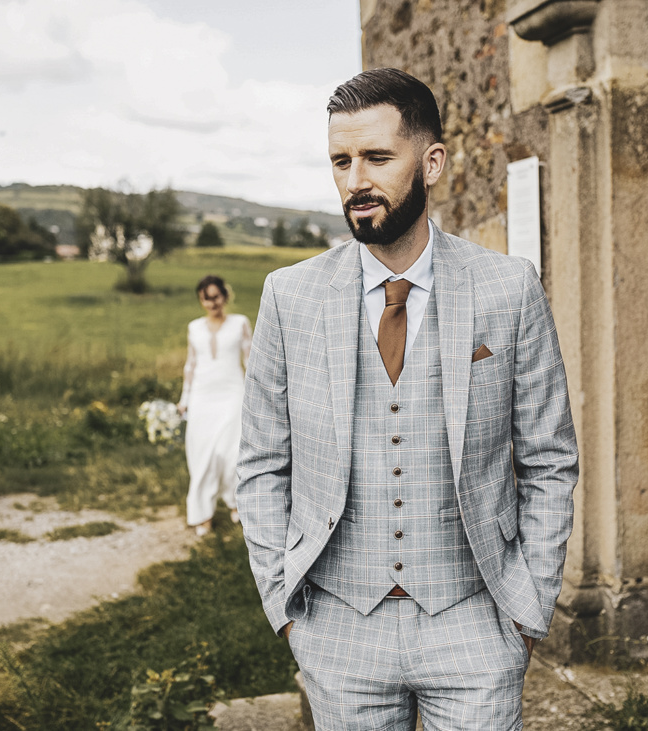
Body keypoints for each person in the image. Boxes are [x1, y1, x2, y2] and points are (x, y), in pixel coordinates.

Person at [237, 68, 578, 730]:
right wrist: (284, 608)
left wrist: (527, 608)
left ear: (431, 163)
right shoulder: (290, 295)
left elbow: (549, 457)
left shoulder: (508, 288)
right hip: (338, 627)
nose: (354, 179)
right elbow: (260, 462)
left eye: (376, 157)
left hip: (476, 621)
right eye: (341, 160)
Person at [177, 274, 252, 536]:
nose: (211, 304)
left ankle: (236, 503)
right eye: (205, 299)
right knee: (202, 455)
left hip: (232, 393)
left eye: (215, 297)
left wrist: (256, 396)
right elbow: (191, 364)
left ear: (225, 296)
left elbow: (250, 360)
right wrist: (184, 399)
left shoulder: (239, 323)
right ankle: (202, 514)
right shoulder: (194, 327)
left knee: (232, 453)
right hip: (201, 396)